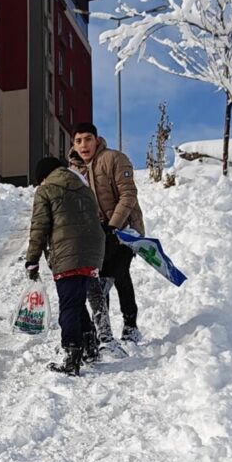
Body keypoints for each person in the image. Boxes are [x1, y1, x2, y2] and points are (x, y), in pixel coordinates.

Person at [24, 156, 107, 376]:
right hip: (92, 254)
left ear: (43, 176)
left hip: (68, 253)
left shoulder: (46, 190)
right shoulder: (85, 189)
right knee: (77, 301)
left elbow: (39, 227)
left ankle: (72, 356)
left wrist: (32, 259)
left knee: (69, 306)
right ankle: (90, 346)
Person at [69, 122, 146, 344]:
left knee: (119, 272)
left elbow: (128, 194)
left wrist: (114, 225)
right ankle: (104, 330)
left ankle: (130, 325)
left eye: (88, 139)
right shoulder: (74, 171)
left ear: (96, 140)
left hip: (125, 229)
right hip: (98, 234)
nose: (84, 145)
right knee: (99, 278)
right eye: (78, 141)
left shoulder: (113, 158)